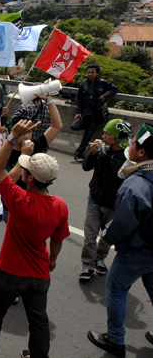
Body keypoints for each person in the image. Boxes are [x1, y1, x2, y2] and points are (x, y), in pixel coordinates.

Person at [0, 119, 70, 358]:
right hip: (39, 273)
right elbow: (57, 240)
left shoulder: (18, 200)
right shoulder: (60, 206)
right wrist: (53, 260)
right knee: (38, 322)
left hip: (9, 272)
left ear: (27, 178)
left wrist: (12, 139)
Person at [87, 123, 153, 357]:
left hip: (138, 249)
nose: (131, 144)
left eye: (134, 142)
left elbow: (123, 223)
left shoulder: (136, 186)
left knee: (115, 289)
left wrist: (105, 239)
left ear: (142, 153)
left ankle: (115, 339)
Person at [79, 119, 132, 281]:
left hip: (113, 205)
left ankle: (99, 259)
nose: (103, 136)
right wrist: (93, 153)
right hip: (94, 200)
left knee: (106, 237)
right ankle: (87, 265)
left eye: (108, 133)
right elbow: (86, 167)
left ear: (117, 137)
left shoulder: (128, 157)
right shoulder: (101, 149)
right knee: (90, 236)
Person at [2, 93, 62, 222]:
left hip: (36, 202)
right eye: (22, 133)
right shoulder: (6, 152)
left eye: (29, 131)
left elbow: (57, 126)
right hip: (14, 205)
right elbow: (8, 180)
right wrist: (24, 156)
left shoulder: (35, 144)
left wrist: (49, 102)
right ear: (14, 132)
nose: (26, 136)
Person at [73, 63, 119, 162]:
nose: (90, 74)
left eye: (92, 72)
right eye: (88, 72)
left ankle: (78, 154)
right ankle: (80, 151)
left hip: (95, 114)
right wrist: (78, 112)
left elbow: (115, 88)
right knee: (74, 126)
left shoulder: (103, 83)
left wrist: (105, 95)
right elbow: (79, 99)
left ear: (97, 73)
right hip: (85, 113)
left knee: (88, 135)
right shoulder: (83, 84)